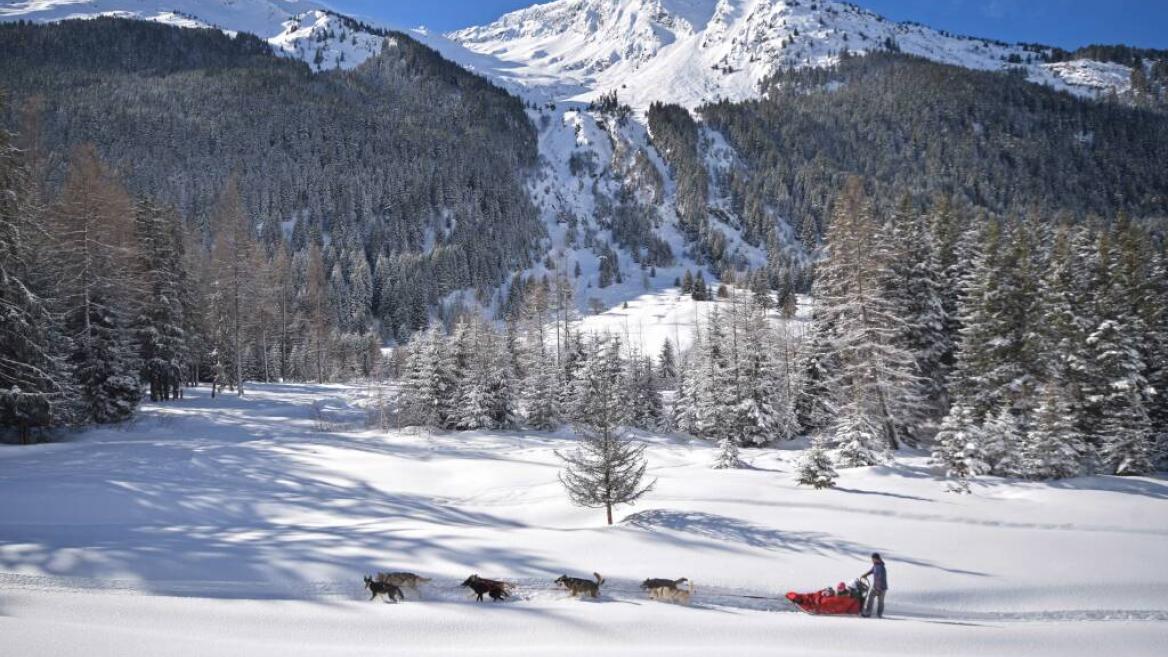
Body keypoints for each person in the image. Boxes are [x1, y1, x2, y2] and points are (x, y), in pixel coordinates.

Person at [861, 553, 888, 618]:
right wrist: (865, 574)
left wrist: (878, 588)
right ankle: (868, 612)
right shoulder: (875, 565)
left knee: (880, 601)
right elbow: (872, 571)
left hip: (882, 587)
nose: (872, 560)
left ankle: (879, 614)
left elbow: (881, 578)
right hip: (876, 586)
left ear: (876, 559)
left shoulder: (881, 567)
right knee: (870, 598)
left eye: (873, 559)